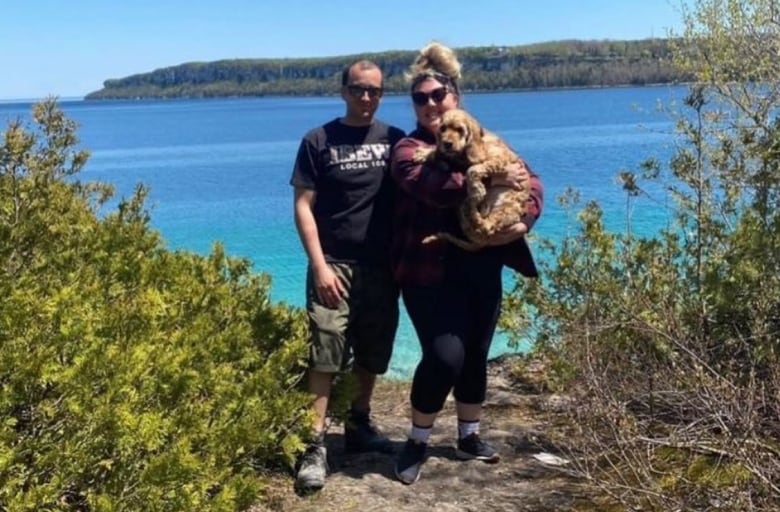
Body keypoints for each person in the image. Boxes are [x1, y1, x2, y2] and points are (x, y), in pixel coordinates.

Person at [389, 42, 544, 485]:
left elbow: (530, 180)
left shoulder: (485, 138)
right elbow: (435, 187)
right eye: (422, 99)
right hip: (428, 269)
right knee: (444, 356)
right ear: (415, 107)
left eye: (439, 95)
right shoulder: (407, 149)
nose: (432, 104)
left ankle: (469, 436)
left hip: (482, 264)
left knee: (476, 354)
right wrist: (493, 175)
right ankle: (417, 440)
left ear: (455, 96)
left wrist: (524, 221)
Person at [290, 59, 405, 492]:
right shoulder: (318, 140)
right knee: (325, 352)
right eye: (358, 89)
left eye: (374, 90)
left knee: (373, 350)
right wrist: (318, 265)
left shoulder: (394, 140)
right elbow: (304, 205)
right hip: (332, 264)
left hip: (380, 267)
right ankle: (313, 443)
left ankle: (358, 424)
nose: (366, 98)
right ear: (343, 91)